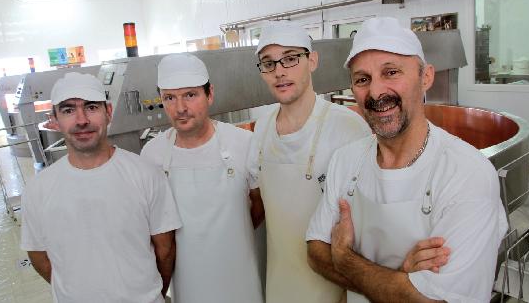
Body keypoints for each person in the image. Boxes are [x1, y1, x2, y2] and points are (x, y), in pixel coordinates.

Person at [306, 17, 508, 302]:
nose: (376, 93)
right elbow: (315, 250)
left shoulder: (467, 172)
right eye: (363, 79)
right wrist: (400, 280)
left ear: (425, 77)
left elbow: (438, 300)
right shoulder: (346, 160)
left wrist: (343, 258)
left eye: (391, 72)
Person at [20, 72, 181, 303]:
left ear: (108, 112)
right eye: (68, 110)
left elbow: (165, 251)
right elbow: (38, 256)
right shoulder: (38, 190)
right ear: (54, 119)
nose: (81, 119)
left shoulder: (146, 175)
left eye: (91, 107)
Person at [246, 21, 371, 303]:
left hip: (333, 288)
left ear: (312, 60)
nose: (279, 71)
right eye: (268, 63)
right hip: (280, 283)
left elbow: (366, 227)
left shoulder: (348, 128)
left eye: (290, 58)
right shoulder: (262, 128)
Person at [141, 53, 264, 303]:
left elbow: (260, 205)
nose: (180, 108)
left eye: (190, 95)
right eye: (170, 98)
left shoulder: (243, 143)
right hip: (187, 282)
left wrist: (230, 235)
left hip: (240, 274)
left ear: (210, 94)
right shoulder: (153, 154)